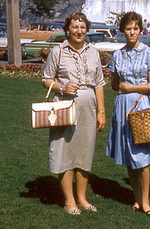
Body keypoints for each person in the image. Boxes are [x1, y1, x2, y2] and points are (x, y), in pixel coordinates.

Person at [42, 12, 106, 216]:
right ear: (67, 29)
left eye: (82, 27)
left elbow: (99, 84)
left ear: (87, 29)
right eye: (75, 27)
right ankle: (69, 201)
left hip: (89, 109)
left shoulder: (93, 52)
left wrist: (102, 112)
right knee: (64, 153)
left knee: (84, 153)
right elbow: (46, 79)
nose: (79, 31)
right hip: (63, 107)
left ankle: (82, 198)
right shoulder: (58, 52)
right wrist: (62, 87)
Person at [106, 11, 150, 217]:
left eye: (135, 29)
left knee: (143, 158)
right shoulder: (118, 54)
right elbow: (114, 85)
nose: (132, 32)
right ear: (123, 31)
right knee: (129, 157)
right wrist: (121, 87)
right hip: (122, 108)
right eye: (128, 29)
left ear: (140, 30)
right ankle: (137, 199)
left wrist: (129, 88)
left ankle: (146, 201)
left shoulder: (148, 52)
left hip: (142, 108)